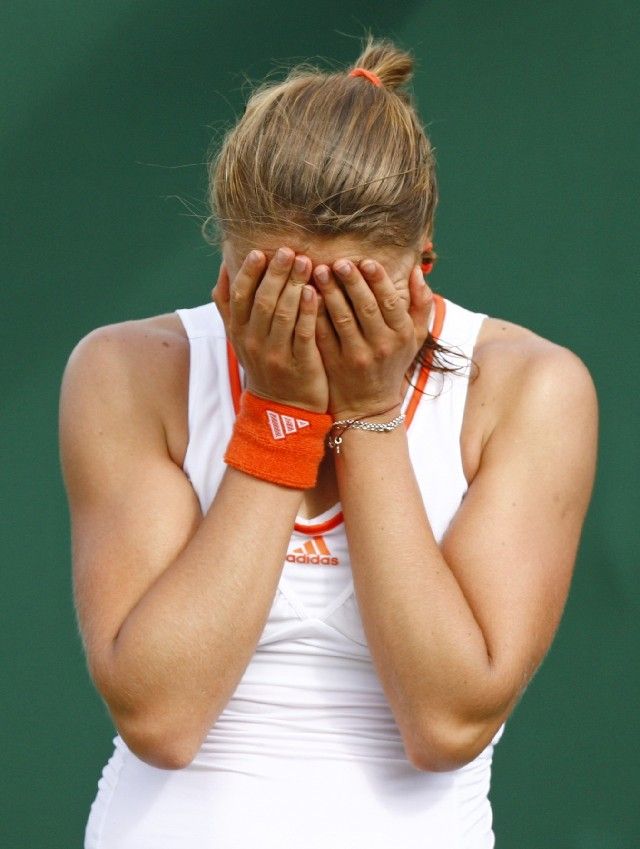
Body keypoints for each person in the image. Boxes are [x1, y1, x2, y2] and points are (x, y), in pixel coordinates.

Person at [59, 37, 598, 849]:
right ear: (224, 262)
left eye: (347, 299)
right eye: (274, 291)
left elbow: (447, 722)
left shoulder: (531, 389)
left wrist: (371, 411)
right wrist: (279, 413)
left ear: (421, 266)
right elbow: (162, 718)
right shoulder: (127, 370)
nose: (307, 327)